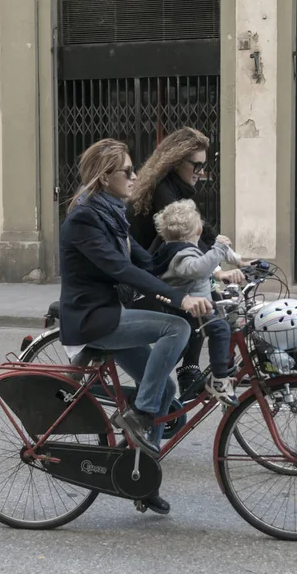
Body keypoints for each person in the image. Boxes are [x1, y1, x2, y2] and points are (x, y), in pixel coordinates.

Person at [59, 139, 212, 515]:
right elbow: (120, 269)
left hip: (110, 312)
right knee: (175, 329)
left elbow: (150, 262)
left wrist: (210, 265)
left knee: (166, 388)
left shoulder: (112, 212)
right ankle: (139, 415)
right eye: (127, 171)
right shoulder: (85, 217)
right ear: (104, 176)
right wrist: (178, 301)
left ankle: (143, 477)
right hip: (94, 317)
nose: (135, 176)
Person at [128, 127, 247, 394]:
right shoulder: (163, 191)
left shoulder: (176, 187)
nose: (201, 172)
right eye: (197, 165)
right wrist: (218, 271)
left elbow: (201, 229)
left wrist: (237, 260)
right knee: (201, 303)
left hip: (162, 268)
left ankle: (186, 371)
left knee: (206, 299)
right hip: (144, 276)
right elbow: (186, 239)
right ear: (177, 161)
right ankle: (177, 378)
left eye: (204, 166)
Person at [152, 199, 240, 405]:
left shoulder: (177, 248)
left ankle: (152, 377)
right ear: (198, 229)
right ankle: (219, 379)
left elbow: (206, 263)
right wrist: (218, 249)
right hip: (189, 311)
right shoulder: (181, 253)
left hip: (192, 309)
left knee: (180, 349)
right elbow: (197, 268)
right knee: (220, 329)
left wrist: (231, 258)